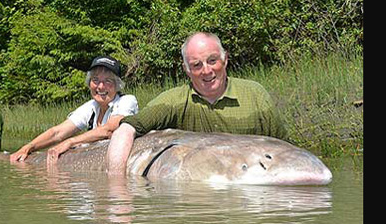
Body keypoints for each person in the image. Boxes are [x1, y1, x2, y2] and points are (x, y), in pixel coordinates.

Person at [106, 32, 286, 175]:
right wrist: (117, 187)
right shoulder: (174, 101)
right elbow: (127, 128)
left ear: (225, 60)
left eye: (212, 61)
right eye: (197, 65)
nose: (206, 71)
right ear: (186, 69)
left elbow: (284, 146)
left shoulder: (255, 94)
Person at [10, 56, 138, 163]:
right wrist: (28, 147)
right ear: (89, 83)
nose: (100, 86)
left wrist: (71, 142)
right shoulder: (91, 106)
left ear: (117, 85)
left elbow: (109, 130)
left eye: (108, 81)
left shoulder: (127, 101)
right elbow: (57, 133)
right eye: (95, 80)